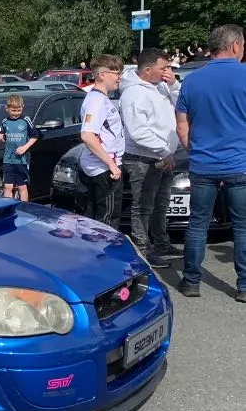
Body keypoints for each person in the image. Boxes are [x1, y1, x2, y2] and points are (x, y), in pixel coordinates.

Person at [175, 24, 246, 301]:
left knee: (197, 224)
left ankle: (191, 282)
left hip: (203, 164)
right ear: (235, 45)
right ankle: (243, 287)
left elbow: (182, 126)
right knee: (242, 227)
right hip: (239, 164)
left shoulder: (192, 80)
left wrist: (194, 151)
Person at [119, 48, 181, 269]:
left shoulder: (161, 86)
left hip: (164, 155)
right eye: (163, 68)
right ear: (147, 70)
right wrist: (163, 151)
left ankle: (161, 243)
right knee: (143, 206)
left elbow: (181, 104)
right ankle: (143, 249)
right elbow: (138, 131)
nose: (167, 72)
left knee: (161, 204)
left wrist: (173, 85)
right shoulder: (134, 94)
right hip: (142, 158)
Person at [78, 54, 125, 229]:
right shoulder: (97, 100)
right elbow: (87, 135)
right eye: (116, 73)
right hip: (104, 169)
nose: (119, 78)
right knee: (107, 221)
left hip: (101, 166)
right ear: (102, 74)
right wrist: (111, 164)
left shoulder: (99, 99)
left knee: (94, 219)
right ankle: (105, 247)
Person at [0, 94, 40, 200]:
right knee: (7, 186)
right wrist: (0, 139)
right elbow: (3, 140)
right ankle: (9, 206)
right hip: (8, 159)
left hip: (22, 160)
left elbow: (35, 136)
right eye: (13, 111)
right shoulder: (5, 122)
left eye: (19, 110)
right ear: (7, 109)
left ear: (22, 107)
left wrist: (25, 147)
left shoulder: (26, 120)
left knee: (21, 186)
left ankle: (23, 206)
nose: (16, 113)